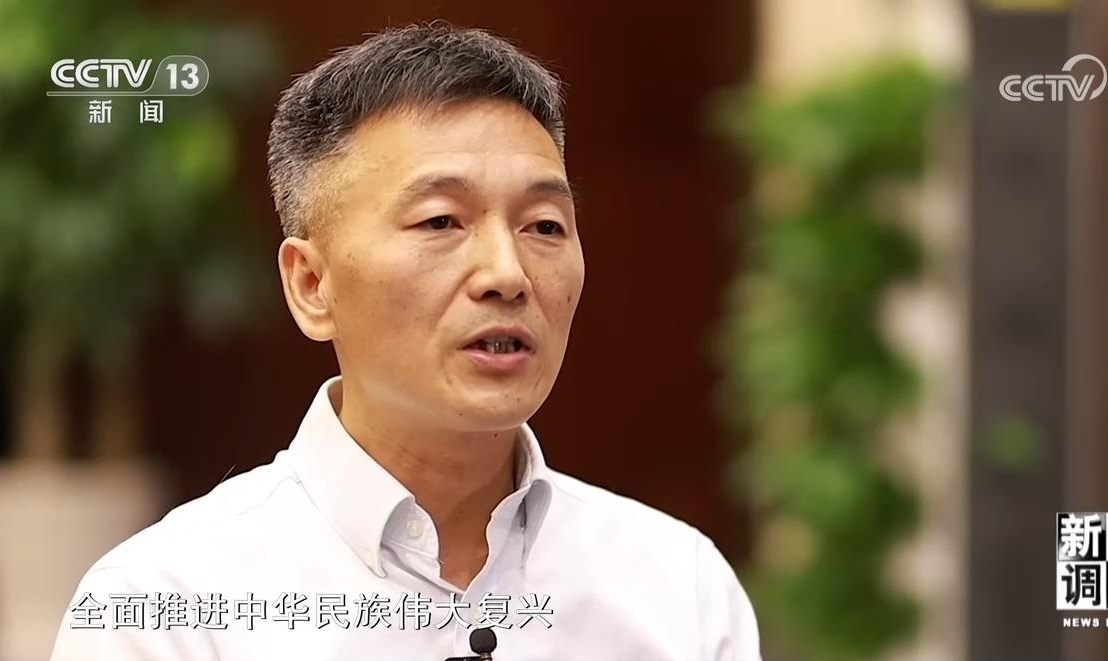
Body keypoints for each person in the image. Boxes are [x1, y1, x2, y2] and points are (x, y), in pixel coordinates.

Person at [50, 23, 760, 661]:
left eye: (544, 226)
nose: (507, 274)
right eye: (441, 221)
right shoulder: (165, 608)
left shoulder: (679, 588)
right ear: (311, 284)